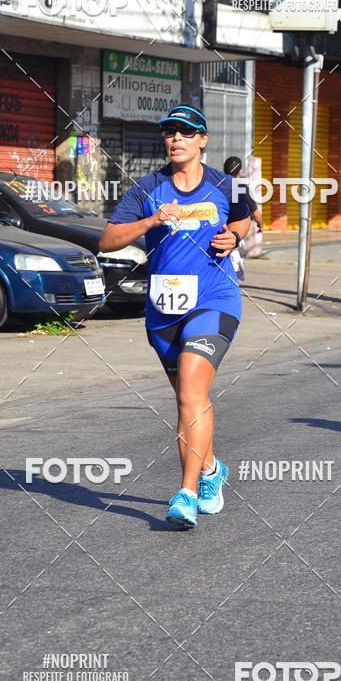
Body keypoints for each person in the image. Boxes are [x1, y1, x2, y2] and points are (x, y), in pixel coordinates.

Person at [99, 106, 251, 528]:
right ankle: (211, 470)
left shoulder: (226, 184)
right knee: (187, 401)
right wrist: (150, 220)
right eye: (169, 132)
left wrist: (233, 235)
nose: (176, 138)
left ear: (203, 139)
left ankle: (185, 494)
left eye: (186, 132)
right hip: (163, 309)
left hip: (214, 300)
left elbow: (245, 218)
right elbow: (109, 240)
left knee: (189, 394)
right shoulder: (148, 187)